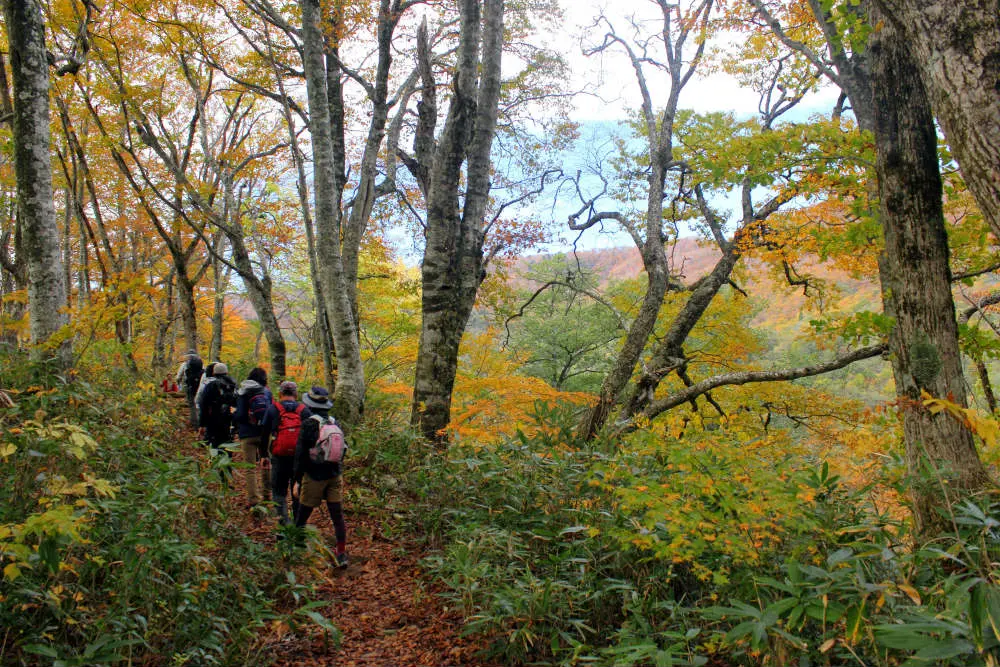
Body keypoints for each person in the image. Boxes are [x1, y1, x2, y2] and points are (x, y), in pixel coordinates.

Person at [292, 386, 348, 567]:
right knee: (337, 515)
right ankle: (341, 553)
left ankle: (296, 546)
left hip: (314, 475)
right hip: (334, 474)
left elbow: (301, 455)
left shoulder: (309, 424)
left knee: (303, 512)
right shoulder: (335, 422)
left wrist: (297, 480)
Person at [268, 381, 308, 526]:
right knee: (298, 491)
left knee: (279, 492)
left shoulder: (274, 409)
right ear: (296, 394)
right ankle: (299, 526)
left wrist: (264, 455)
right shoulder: (304, 410)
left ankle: (283, 526)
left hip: (279, 457)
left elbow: (264, 431)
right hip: (299, 458)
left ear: (280, 394)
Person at [233, 367, 273, 507]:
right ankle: (267, 495)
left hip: (247, 434)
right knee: (266, 461)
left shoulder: (242, 392)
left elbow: (240, 415)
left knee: (249, 467)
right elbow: (271, 412)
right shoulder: (266, 392)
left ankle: (254, 499)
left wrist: (235, 417)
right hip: (264, 433)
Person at [198, 362, 237, 475]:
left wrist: (202, 424)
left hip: (214, 421)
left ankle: (216, 471)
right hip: (229, 421)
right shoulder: (234, 385)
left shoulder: (211, 385)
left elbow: (204, 405)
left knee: (215, 445)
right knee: (228, 446)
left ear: (214, 373)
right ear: (227, 372)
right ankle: (226, 472)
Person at [176, 350, 203, 427]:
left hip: (189, 386)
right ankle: (201, 421)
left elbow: (178, 377)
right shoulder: (201, 364)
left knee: (192, 404)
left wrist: (179, 385)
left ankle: (194, 422)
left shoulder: (184, 364)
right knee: (199, 403)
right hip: (199, 386)